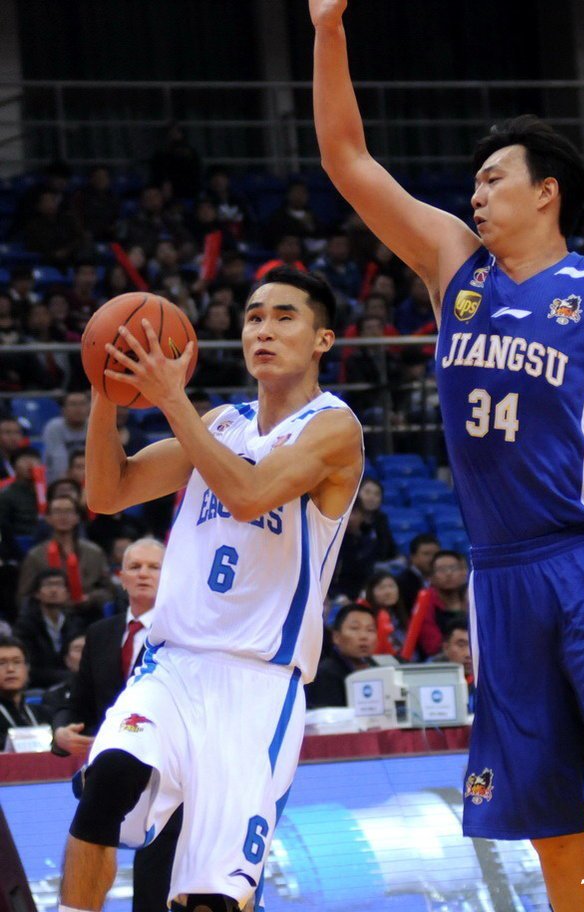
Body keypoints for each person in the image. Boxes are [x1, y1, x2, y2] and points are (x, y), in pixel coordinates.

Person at [310, 3, 584, 904]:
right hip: (499, 577)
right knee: (547, 824)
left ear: (546, 191)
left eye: (493, 177)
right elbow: (348, 161)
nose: (475, 193)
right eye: (473, 181)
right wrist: (327, 29)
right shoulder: (452, 265)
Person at [59, 265, 362, 912]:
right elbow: (108, 492)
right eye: (254, 317)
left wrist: (172, 399)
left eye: (284, 317)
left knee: (210, 900)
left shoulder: (335, 430)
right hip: (173, 665)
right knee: (107, 784)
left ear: (323, 341)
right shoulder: (221, 422)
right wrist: (107, 388)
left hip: (257, 684)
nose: (263, 329)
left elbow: (249, 494)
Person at [53, 538, 176, 912]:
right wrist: (61, 732)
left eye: (154, 567)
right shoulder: (101, 633)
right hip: (109, 769)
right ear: (120, 577)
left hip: (167, 770)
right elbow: (80, 703)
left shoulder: (186, 632)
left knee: (156, 880)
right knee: (88, 855)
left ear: (172, 575)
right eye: (135, 567)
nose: (143, 574)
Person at [16, 492, 115, 616]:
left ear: (77, 517)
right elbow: (23, 597)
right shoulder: (35, 556)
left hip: (87, 613)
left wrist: (90, 598)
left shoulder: (94, 552)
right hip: (49, 615)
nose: (63, 517)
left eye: (68, 511)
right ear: (48, 518)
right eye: (57, 511)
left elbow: (109, 590)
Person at [13, 568, 85, 688]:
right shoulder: (25, 625)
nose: (54, 590)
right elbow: (29, 667)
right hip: (37, 686)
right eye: (48, 585)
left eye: (59, 585)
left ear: (67, 593)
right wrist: (68, 676)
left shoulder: (76, 623)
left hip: (71, 684)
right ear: (37, 593)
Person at [305, 602, 378, 708]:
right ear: (336, 637)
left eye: (370, 630)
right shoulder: (325, 674)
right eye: (355, 628)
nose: (364, 636)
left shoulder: (380, 671)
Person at [400, 550, 468, 661]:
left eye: (453, 568)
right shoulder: (424, 602)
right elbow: (432, 646)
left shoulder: (472, 598)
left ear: (463, 573)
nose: (448, 573)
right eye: (441, 569)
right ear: (431, 577)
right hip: (440, 660)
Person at [0, 635, 52, 751]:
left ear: (27, 668)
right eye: (2, 663)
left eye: (17, 662)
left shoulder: (44, 714)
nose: (10, 669)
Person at [42, 391, 90, 483]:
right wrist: (65, 482)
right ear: (63, 409)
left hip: (90, 476)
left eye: (82, 404)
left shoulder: (95, 426)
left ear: (89, 408)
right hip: (61, 479)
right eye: (73, 404)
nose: (78, 409)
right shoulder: (54, 427)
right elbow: (58, 459)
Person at [396, 532, 441, 612]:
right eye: (426, 554)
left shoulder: (444, 579)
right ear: (413, 557)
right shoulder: (401, 582)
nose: (432, 558)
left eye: (436, 554)